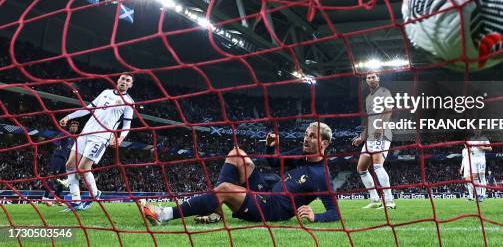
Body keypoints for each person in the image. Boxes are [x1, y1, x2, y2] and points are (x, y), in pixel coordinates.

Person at [138, 122, 340, 225]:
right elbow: (273, 162)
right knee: (237, 153)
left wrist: (316, 216)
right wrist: (271, 148)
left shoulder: (321, 175)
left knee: (225, 189)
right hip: (267, 193)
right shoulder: (301, 155)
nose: (306, 139)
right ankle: (215, 211)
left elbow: (335, 213)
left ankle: (164, 214)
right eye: (306, 134)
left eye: (312, 137)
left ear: (324, 143)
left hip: (272, 211)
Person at [59, 74, 135, 211]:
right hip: (85, 133)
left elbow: (127, 124)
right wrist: (69, 116)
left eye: (127, 81)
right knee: (70, 165)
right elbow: (88, 108)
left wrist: (121, 137)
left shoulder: (129, 102)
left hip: (101, 138)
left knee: (82, 169)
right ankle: (76, 201)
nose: (124, 82)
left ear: (130, 85)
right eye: (122, 79)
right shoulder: (105, 92)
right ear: (118, 81)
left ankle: (95, 195)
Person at [351, 72, 395, 209]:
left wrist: (379, 128)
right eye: (368, 77)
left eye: (373, 77)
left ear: (378, 79)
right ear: (366, 80)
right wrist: (362, 137)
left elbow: (388, 110)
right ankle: (375, 200)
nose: (371, 79)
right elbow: (369, 120)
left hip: (381, 134)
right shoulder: (368, 98)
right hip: (370, 137)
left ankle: (389, 201)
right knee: (361, 168)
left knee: (377, 166)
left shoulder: (384, 92)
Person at [42, 120, 79, 206]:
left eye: (75, 126)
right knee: (53, 176)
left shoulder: (74, 139)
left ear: (77, 129)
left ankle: (57, 199)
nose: (74, 127)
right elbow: (55, 140)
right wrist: (59, 145)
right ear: (70, 127)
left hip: (64, 160)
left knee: (62, 180)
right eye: (72, 126)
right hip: (58, 157)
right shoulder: (65, 133)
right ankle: (45, 197)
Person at [467, 133, 492, 202]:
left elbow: (490, 148)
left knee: (482, 177)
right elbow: (468, 146)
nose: (476, 131)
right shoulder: (471, 139)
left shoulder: (484, 138)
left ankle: (483, 195)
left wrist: (483, 148)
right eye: (475, 129)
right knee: (474, 177)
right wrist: (470, 149)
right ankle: (478, 194)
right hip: (474, 160)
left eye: (478, 129)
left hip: (481, 159)